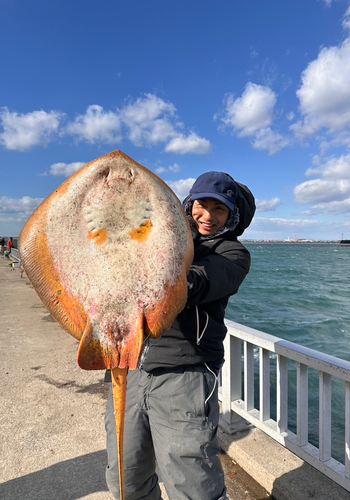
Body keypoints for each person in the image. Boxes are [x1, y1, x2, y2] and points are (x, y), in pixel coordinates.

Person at [105, 171, 256, 500]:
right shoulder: (159, 235)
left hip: (185, 374)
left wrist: (143, 275)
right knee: (124, 477)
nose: (208, 216)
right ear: (189, 205)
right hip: (129, 369)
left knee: (192, 484)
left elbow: (192, 284)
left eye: (220, 209)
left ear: (232, 214)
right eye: (202, 205)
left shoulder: (231, 254)